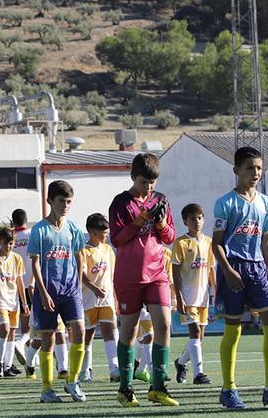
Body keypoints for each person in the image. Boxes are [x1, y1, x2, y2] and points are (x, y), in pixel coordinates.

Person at [212, 147, 268, 410]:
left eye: (259, 168)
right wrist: (227, 270)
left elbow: (267, 241)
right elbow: (216, 244)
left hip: (258, 269)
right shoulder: (225, 203)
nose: (255, 173)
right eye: (249, 168)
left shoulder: (266, 203)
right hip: (233, 267)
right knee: (233, 328)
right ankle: (228, 390)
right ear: (236, 171)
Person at [110, 154, 178, 407]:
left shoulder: (161, 200)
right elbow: (116, 239)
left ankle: (158, 387)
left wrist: (160, 222)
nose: (148, 187)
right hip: (129, 276)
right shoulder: (120, 202)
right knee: (129, 331)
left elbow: (170, 236)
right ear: (132, 177)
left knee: (165, 325)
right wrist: (140, 220)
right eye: (143, 182)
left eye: (152, 182)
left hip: (157, 273)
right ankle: (125, 389)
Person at [31, 180, 88, 403]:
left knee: (80, 332)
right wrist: (43, 292)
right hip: (47, 291)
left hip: (70, 291)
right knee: (49, 339)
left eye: (69, 202)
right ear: (50, 201)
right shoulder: (39, 230)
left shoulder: (73, 228)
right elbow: (35, 263)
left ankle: (72, 381)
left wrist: (78, 283)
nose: (65, 205)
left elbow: (79, 255)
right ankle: (46, 389)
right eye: (61, 201)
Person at [172, 203, 215, 386]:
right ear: (185, 221)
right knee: (195, 333)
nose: (196, 221)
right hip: (188, 296)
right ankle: (199, 374)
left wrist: (216, 292)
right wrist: (179, 296)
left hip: (203, 296)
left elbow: (211, 269)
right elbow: (175, 271)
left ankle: (180, 363)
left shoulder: (209, 242)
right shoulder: (181, 243)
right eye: (192, 219)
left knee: (200, 336)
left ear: (203, 219)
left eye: (199, 218)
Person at [79, 213, 118, 383]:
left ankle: (114, 368)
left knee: (109, 330)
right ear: (94, 233)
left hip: (107, 299)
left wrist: (115, 296)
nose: (107, 235)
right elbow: (81, 274)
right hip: (88, 300)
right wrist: (94, 288)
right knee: (88, 334)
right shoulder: (83, 251)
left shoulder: (108, 249)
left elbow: (113, 274)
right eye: (104, 232)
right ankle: (86, 369)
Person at [0, 227, 27, 377]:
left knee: (12, 332)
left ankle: (8, 365)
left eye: (11, 243)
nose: (9, 246)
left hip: (14, 301)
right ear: (1, 242)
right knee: (4, 329)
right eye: (6, 243)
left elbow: (19, 282)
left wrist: (24, 303)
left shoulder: (17, 258)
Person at [11, 208, 33, 370]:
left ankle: (29, 352)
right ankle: (23, 343)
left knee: (23, 319)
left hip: (13, 284)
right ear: (26, 220)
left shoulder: (11, 238)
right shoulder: (31, 234)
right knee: (36, 320)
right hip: (31, 282)